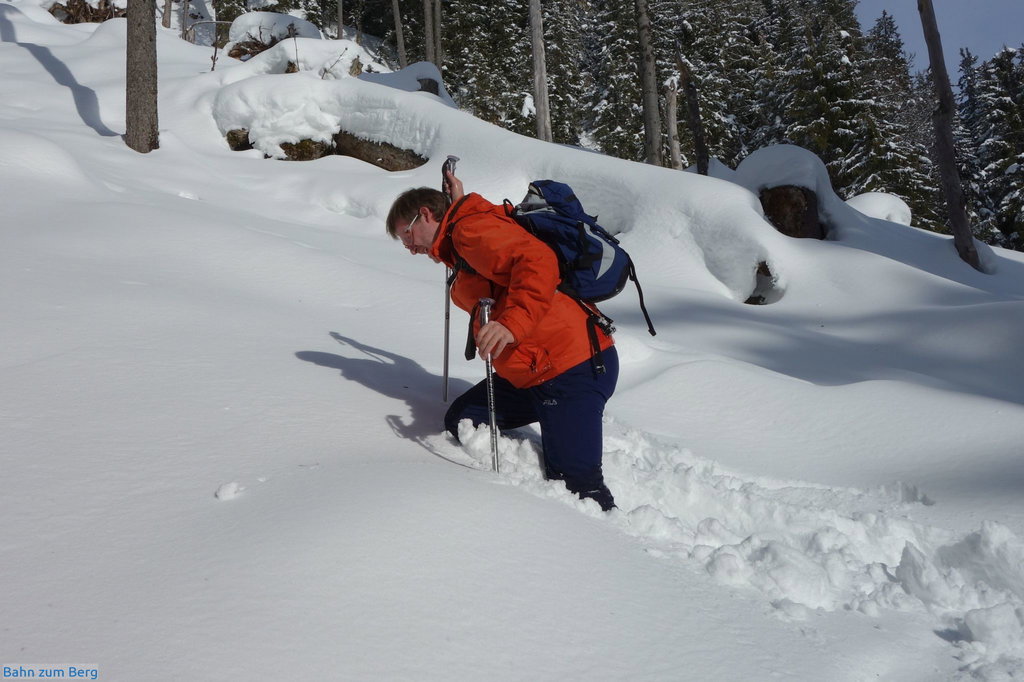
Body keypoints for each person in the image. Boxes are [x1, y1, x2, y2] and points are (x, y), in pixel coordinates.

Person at [385, 169, 618, 511]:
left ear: (425, 215)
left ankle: (615, 546)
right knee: (463, 421)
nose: (410, 248)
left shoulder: (470, 230)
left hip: (573, 367)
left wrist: (511, 324)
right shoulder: (463, 230)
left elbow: (538, 262)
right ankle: (561, 425)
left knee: (576, 488)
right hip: (530, 373)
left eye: (406, 236)